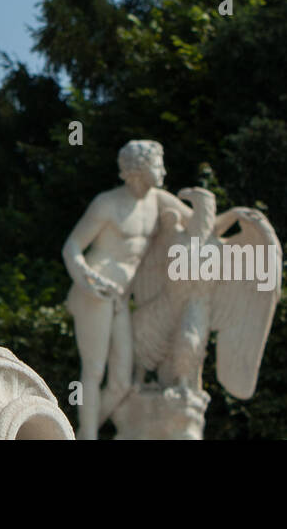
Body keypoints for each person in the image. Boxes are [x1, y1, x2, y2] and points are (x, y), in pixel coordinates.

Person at [61, 139, 188, 439]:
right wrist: (89, 281)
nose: (164, 170)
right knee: (93, 371)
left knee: (122, 382)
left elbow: (200, 223)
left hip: (120, 298)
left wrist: (235, 218)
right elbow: (72, 247)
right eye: (158, 165)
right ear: (140, 169)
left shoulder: (158, 200)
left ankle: (80, 434)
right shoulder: (107, 203)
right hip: (95, 292)